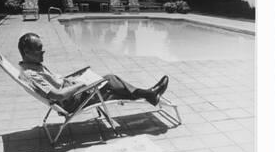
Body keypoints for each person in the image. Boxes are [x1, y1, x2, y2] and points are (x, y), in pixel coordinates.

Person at [18, 33, 169, 113]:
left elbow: (56, 85)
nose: (43, 51)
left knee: (113, 90)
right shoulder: (31, 73)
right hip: (73, 101)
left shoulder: (33, 66)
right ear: (26, 52)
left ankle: (148, 94)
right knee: (110, 80)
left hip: (74, 93)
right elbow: (58, 95)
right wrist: (82, 84)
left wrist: (72, 79)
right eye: (39, 48)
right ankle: (149, 94)